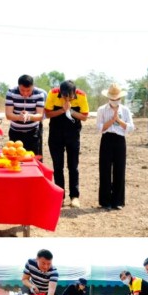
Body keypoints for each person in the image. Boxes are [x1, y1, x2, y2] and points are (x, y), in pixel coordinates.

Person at [45, 80, 89, 208]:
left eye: (71, 97)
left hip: (73, 134)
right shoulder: (52, 93)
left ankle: (74, 196)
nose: (68, 99)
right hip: (56, 134)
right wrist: (62, 110)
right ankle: (60, 197)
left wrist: (71, 111)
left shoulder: (81, 95)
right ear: (60, 92)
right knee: (58, 167)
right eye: (65, 96)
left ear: (75, 92)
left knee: (73, 166)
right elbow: (47, 114)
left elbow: (84, 117)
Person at [97, 83, 135, 210]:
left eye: (117, 98)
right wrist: (112, 121)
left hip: (120, 140)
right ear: (108, 98)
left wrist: (119, 120)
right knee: (105, 170)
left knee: (119, 169)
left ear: (120, 98)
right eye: (112, 99)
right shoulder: (102, 110)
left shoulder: (125, 110)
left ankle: (117, 201)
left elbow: (131, 127)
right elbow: (100, 128)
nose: (114, 101)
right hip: (107, 139)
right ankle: (105, 201)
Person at [5, 75, 45, 154]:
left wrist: (29, 116)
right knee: (15, 158)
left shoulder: (39, 94)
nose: (25, 93)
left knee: (33, 158)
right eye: (22, 90)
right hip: (15, 133)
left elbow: (40, 115)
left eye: (28, 90)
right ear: (18, 86)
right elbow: (8, 115)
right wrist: (19, 117)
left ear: (33, 86)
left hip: (33, 133)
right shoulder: (11, 93)